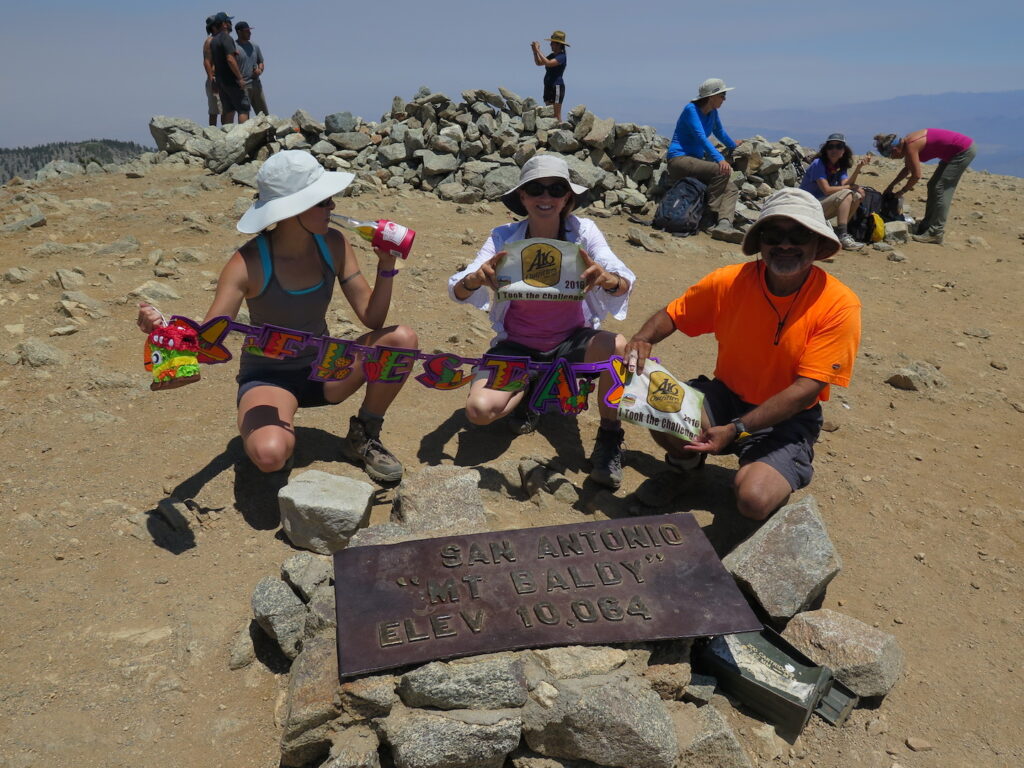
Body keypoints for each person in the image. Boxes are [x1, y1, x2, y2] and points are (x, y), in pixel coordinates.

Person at [137, 150, 417, 483]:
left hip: (325, 370)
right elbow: (210, 335)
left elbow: (372, 318)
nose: (332, 207)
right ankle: (276, 438)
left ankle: (364, 434)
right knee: (270, 454)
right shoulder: (248, 263)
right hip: (270, 378)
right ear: (293, 208)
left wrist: (386, 267)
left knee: (402, 339)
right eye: (323, 201)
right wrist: (164, 330)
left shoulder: (335, 244)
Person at [624, 188, 861, 521]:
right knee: (659, 402)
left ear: (818, 245)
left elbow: (805, 389)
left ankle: (773, 467)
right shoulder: (730, 282)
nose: (785, 244)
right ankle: (685, 471)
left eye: (799, 235)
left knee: (753, 499)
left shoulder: (838, 303)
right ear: (760, 242)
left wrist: (737, 429)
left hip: (787, 419)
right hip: (727, 396)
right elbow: (674, 314)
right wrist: (641, 338)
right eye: (774, 234)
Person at [449, 155, 636, 489]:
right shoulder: (503, 236)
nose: (545, 197)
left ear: (567, 198)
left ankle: (609, 439)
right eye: (535, 189)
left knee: (617, 348)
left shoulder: (584, 232)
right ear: (522, 197)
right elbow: (460, 285)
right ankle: (535, 388)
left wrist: (607, 278)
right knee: (479, 410)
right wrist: (476, 278)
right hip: (517, 346)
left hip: (571, 340)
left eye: (556, 189)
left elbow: (621, 277)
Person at [666, 78, 742, 242]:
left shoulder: (713, 113)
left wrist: (733, 145)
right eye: (722, 95)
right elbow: (701, 137)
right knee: (719, 170)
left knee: (732, 188)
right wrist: (720, 159)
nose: (724, 99)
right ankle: (708, 217)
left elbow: (719, 132)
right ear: (711, 96)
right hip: (679, 159)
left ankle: (724, 224)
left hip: (695, 161)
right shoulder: (691, 109)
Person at [874, 129, 976, 245]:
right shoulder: (907, 143)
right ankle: (926, 226)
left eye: (890, 156)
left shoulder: (911, 145)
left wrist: (902, 191)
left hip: (963, 150)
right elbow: (907, 168)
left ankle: (936, 232)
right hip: (953, 153)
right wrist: (891, 186)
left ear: (895, 149)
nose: (892, 159)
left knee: (941, 188)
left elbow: (916, 175)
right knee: (932, 185)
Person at [798, 133, 871, 251]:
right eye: (830, 147)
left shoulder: (839, 166)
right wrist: (849, 187)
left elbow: (846, 183)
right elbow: (826, 190)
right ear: (826, 150)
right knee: (846, 194)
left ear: (843, 151)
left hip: (821, 205)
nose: (834, 150)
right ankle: (842, 235)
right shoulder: (819, 164)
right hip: (808, 206)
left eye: (838, 146)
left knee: (856, 196)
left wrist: (858, 169)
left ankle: (839, 232)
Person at [209, 11, 249, 124]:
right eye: (229, 21)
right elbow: (230, 59)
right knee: (243, 109)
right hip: (231, 80)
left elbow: (214, 62)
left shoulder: (214, 40)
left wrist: (214, 80)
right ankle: (244, 137)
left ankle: (228, 137)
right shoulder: (226, 38)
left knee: (229, 110)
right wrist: (240, 78)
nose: (231, 23)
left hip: (221, 81)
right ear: (224, 24)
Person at [531, 31, 569, 123]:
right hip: (548, 86)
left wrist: (538, 50)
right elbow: (539, 63)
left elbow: (548, 63)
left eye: (552, 43)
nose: (550, 45)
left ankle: (561, 133)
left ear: (559, 45)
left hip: (557, 87)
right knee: (549, 113)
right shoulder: (553, 55)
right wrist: (535, 52)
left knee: (556, 115)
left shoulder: (561, 57)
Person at [234, 21, 268, 116]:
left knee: (264, 115)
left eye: (249, 30)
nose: (250, 33)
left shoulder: (255, 46)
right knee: (244, 114)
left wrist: (259, 70)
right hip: (243, 87)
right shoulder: (233, 47)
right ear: (239, 32)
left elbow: (260, 61)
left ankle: (268, 131)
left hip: (256, 85)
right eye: (246, 31)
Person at [203, 16, 222, 126]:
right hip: (215, 79)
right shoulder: (210, 41)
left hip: (222, 79)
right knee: (214, 111)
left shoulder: (220, 39)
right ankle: (212, 136)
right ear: (214, 27)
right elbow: (206, 61)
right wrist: (212, 79)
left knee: (226, 110)